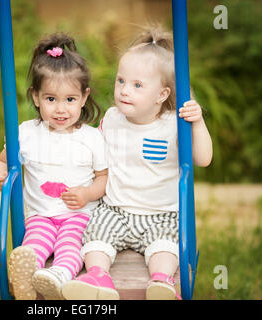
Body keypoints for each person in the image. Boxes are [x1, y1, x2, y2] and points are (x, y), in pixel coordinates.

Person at [61, 27, 213, 300]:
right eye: (121, 81)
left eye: (137, 85)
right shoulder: (111, 118)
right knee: (95, 235)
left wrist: (198, 122)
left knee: (165, 247)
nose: (124, 91)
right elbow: (90, 152)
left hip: (160, 213)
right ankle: (98, 277)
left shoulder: (172, 125)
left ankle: (161, 282)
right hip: (116, 209)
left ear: (162, 95)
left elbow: (203, 159)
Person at [0, 33, 108, 300]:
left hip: (78, 216)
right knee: (32, 246)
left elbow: (104, 178)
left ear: (83, 97)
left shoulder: (91, 138)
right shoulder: (27, 134)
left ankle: (57, 278)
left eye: (70, 99)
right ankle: (26, 281)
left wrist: (87, 194)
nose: (60, 109)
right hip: (40, 216)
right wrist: (0, 173)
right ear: (35, 97)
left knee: (70, 248)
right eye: (50, 99)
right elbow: (1, 161)